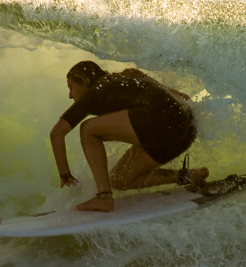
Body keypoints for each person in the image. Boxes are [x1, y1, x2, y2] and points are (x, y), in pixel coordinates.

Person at [50, 60, 208, 212]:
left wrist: (65, 175)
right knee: (119, 179)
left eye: (71, 87)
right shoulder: (127, 79)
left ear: (83, 81)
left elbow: (56, 134)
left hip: (162, 122)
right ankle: (188, 176)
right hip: (184, 132)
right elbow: (183, 97)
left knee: (87, 129)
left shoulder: (96, 90)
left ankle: (104, 197)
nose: (70, 95)